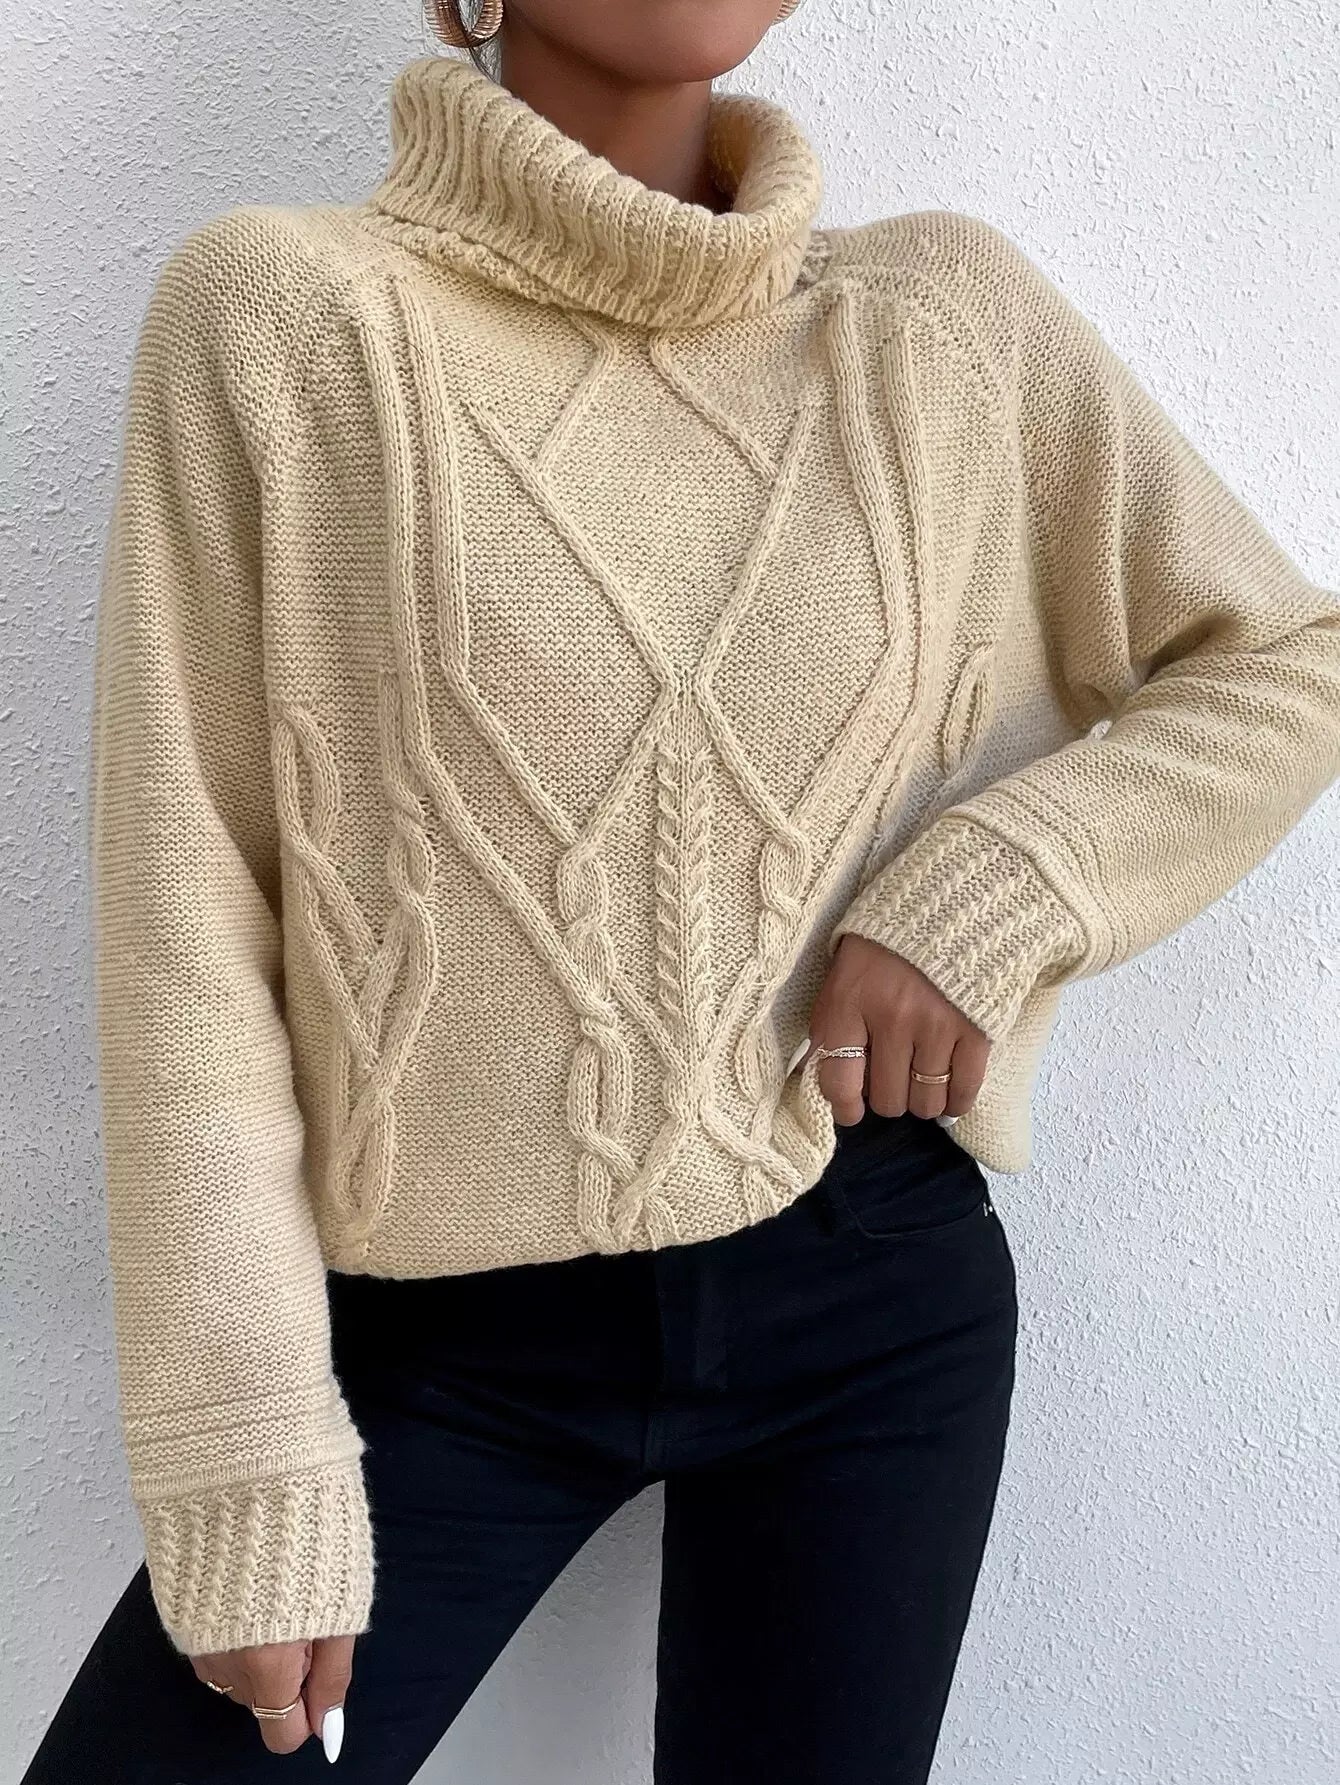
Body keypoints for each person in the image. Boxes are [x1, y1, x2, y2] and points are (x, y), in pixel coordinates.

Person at [22, 0, 1340, 1779]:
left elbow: (1284, 659)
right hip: (435, 1346)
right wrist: (242, 1453)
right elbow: (185, 923)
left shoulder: (939, 322)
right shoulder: (286, 315)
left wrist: (997, 883)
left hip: (866, 1288)